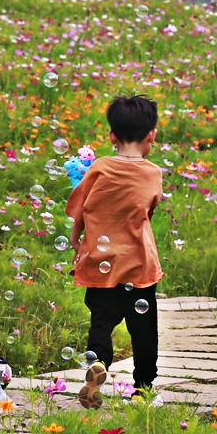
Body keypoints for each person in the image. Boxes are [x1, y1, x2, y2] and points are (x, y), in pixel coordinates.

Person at [64, 95, 164, 409]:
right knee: (143, 331)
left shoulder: (100, 168)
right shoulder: (152, 174)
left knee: (101, 322)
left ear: (111, 136)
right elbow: (150, 209)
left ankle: (100, 365)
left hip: (99, 261)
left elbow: (78, 207)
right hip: (138, 265)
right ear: (152, 135)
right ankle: (144, 389)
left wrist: (75, 238)